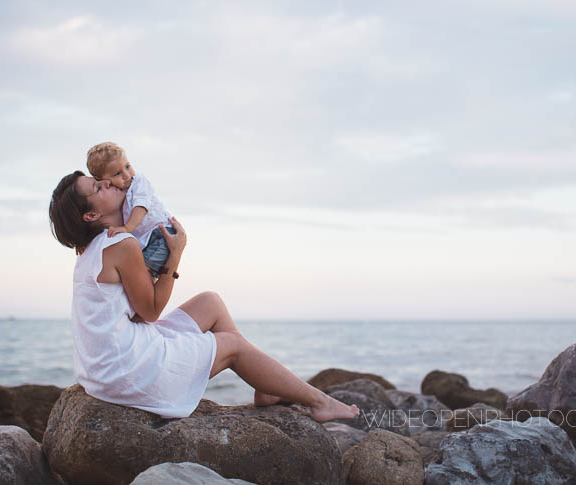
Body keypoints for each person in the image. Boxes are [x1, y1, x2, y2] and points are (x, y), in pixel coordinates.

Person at [48, 170, 359, 422]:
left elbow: (138, 314)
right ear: (90, 215)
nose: (107, 181)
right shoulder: (121, 244)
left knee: (210, 301)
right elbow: (152, 312)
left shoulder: (94, 247)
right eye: (97, 187)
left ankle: (266, 386)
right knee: (233, 346)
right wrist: (176, 253)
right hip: (126, 373)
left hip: (104, 369)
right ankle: (320, 401)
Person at [86, 142, 175, 278]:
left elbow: (141, 206)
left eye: (127, 166)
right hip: (145, 239)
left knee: (144, 274)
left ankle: (151, 292)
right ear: (104, 181)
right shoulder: (118, 194)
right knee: (138, 273)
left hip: (161, 233)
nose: (126, 175)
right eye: (117, 173)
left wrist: (127, 228)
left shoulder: (139, 181)